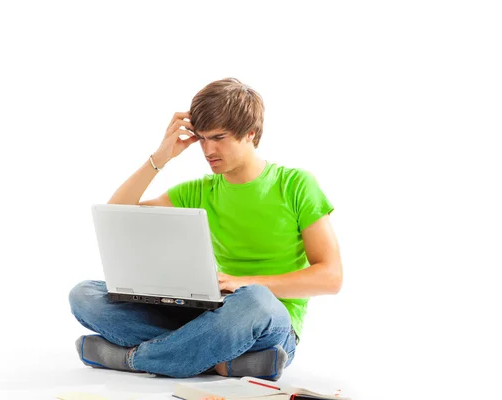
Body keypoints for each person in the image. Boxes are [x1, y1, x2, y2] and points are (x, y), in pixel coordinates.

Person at [69, 78, 343, 380]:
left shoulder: (296, 185)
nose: (207, 149)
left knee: (254, 299)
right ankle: (218, 362)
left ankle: (131, 359)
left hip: (267, 319)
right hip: (212, 315)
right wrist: (160, 158)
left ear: (250, 133)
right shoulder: (198, 191)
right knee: (84, 295)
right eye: (201, 138)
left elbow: (330, 277)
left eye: (219, 137)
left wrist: (242, 283)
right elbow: (116, 217)